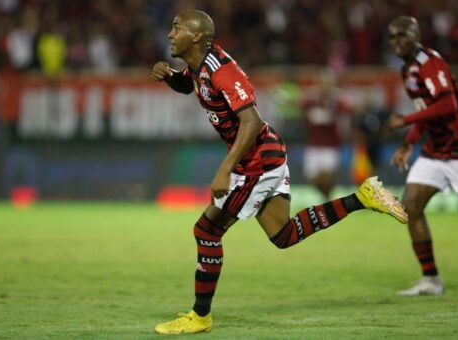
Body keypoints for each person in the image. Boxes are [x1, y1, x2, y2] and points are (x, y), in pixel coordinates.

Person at [151, 10, 408, 335]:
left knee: (206, 231)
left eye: (177, 27)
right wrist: (173, 78)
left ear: (198, 36)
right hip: (265, 154)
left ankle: (200, 316)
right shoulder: (199, 65)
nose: (171, 33)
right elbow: (191, 87)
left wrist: (225, 169)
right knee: (283, 235)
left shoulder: (222, 71)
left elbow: (251, 121)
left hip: (256, 160)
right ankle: (362, 197)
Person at [387, 16, 458, 297]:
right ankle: (431, 279)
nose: (398, 42)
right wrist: (409, 143)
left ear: (416, 35)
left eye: (403, 35)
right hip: (436, 150)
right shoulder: (407, 68)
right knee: (411, 206)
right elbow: (427, 110)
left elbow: (447, 104)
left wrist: (405, 119)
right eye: (393, 37)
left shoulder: (430, 62)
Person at [300, 70, 354, 200]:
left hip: (331, 145)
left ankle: (327, 199)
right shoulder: (311, 97)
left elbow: (350, 109)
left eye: (328, 83)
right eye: (323, 82)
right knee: (312, 178)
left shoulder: (338, 98)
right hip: (313, 144)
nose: (325, 86)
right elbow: (301, 107)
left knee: (327, 176)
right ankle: (327, 197)